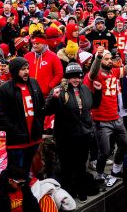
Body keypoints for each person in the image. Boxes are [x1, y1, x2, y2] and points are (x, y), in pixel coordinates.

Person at [44, 62, 101, 201]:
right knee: (67, 166)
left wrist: (98, 92)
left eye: (78, 77)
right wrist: (53, 99)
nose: (76, 79)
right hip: (66, 136)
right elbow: (48, 110)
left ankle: (81, 191)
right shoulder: (59, 90)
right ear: (67, 77)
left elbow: (94, 105)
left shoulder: (85, 89)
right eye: (73, 77)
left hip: (83, 135)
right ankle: (68, 193)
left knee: (81, 165)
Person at [87, 48, 127, 180]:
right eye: (107, 59)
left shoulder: (114, 72)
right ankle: (99, 176)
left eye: (110, 58)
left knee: (125, 145)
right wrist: (98, 57)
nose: (110, 61)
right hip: (102, 120)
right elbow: (92, 72)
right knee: (104, 152)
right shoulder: (97, 74)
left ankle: (116, 170)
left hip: (116, 117)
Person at [0, 57, 45, 174]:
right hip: (16, 142)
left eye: (27, 68)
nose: (26, 71)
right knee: (16, 172)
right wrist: (15, 130)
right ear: (15, 71)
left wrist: (39, 125)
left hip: (34, 138)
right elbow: (0, 115)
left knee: (29, 171)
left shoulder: (34, 83)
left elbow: (41, 107)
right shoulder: (4, 90)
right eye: (23, 69)